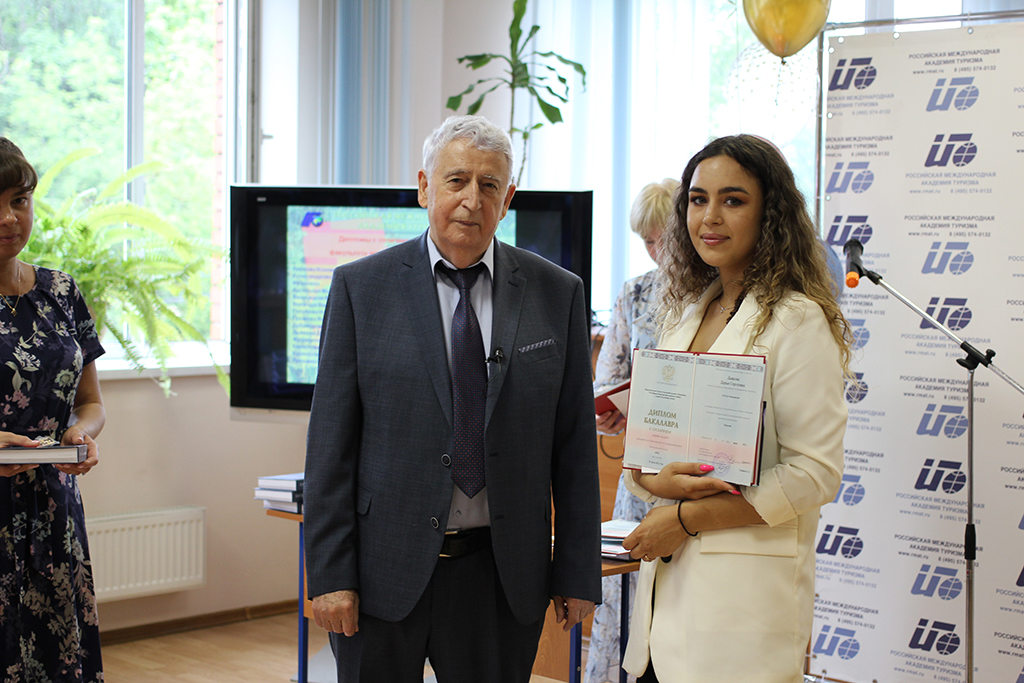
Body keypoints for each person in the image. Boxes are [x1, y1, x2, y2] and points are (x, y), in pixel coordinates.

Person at [303, 114, 602, 683]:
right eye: (456, 180)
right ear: (424, 187)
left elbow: (574, 449)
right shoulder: (360, 289)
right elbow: (330, 450)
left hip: (500, 576)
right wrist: (331, 574)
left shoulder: (557, 293)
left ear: (507, 199)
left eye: (489, 185)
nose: (471, 200)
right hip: (381, 572)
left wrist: (576, 571)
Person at [621, 134, 852, 683]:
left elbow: (814, 473)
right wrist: (656, 482)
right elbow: (647, 455)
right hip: (665, 605)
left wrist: (684, 519)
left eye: (733, 200)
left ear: (769, 213)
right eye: (698, 200)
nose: (710, 217)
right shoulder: (686, 316)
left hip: (742, 611)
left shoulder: (798, 321)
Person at [0, 138, 106, 681]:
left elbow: (90, 402)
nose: (8, 218)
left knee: (58, 659)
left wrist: (82, 434)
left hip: (54, 511)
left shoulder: (62, 291)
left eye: (19, 200)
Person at [586, 178, 677, 683]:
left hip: (696, 477)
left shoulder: (720, 291)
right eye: (647, 240)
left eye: (664, 238)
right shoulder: (635, 292)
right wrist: (609, 410)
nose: (656, 250)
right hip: (640, 475)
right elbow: (608, 378)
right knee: (624, 604)